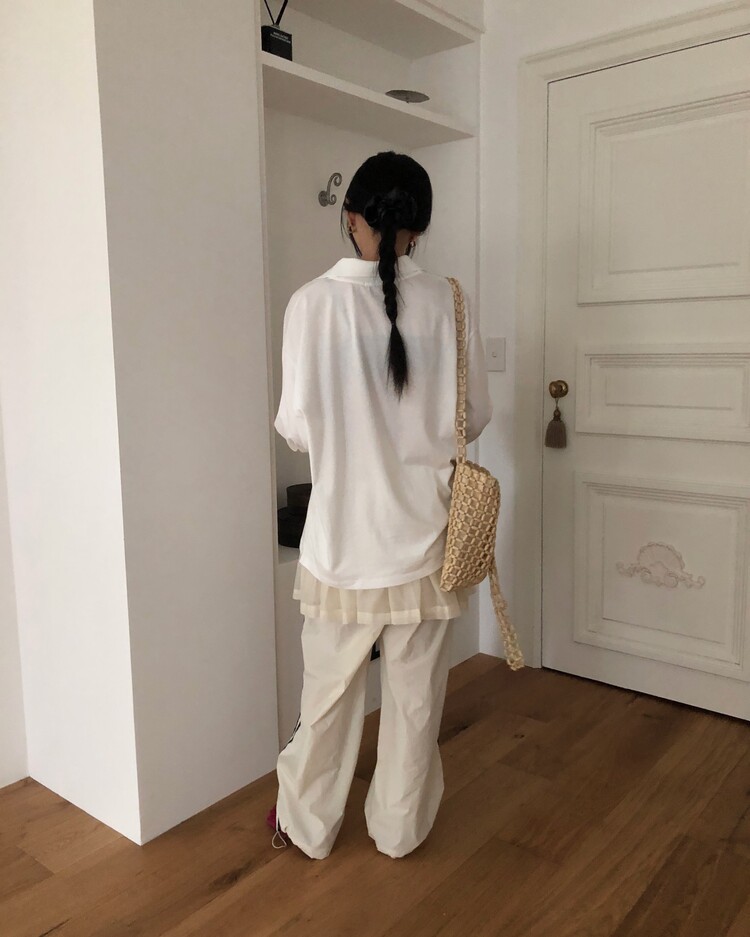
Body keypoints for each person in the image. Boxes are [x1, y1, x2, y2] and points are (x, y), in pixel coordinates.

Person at [267, 150, 493, 860]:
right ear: (418, 229)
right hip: (427, 542)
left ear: (350, 217)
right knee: (415, 701)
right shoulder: (451, 302)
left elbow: (297, 429)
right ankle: (399, 831)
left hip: (342, 544)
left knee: (326, 700)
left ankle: (307, 827)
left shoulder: (311, 304)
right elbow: (474, 417)